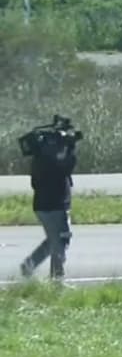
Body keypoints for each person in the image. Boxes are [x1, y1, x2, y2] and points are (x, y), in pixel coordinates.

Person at [19, 118, 80, 285]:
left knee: (53, 240)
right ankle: (57, 281)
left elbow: (36, 182)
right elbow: (67, 167)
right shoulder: (55, 158)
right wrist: (70, 149)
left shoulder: (40, 157)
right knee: (60, 241)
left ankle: (29, 265)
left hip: (41, 205)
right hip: (57, 205)